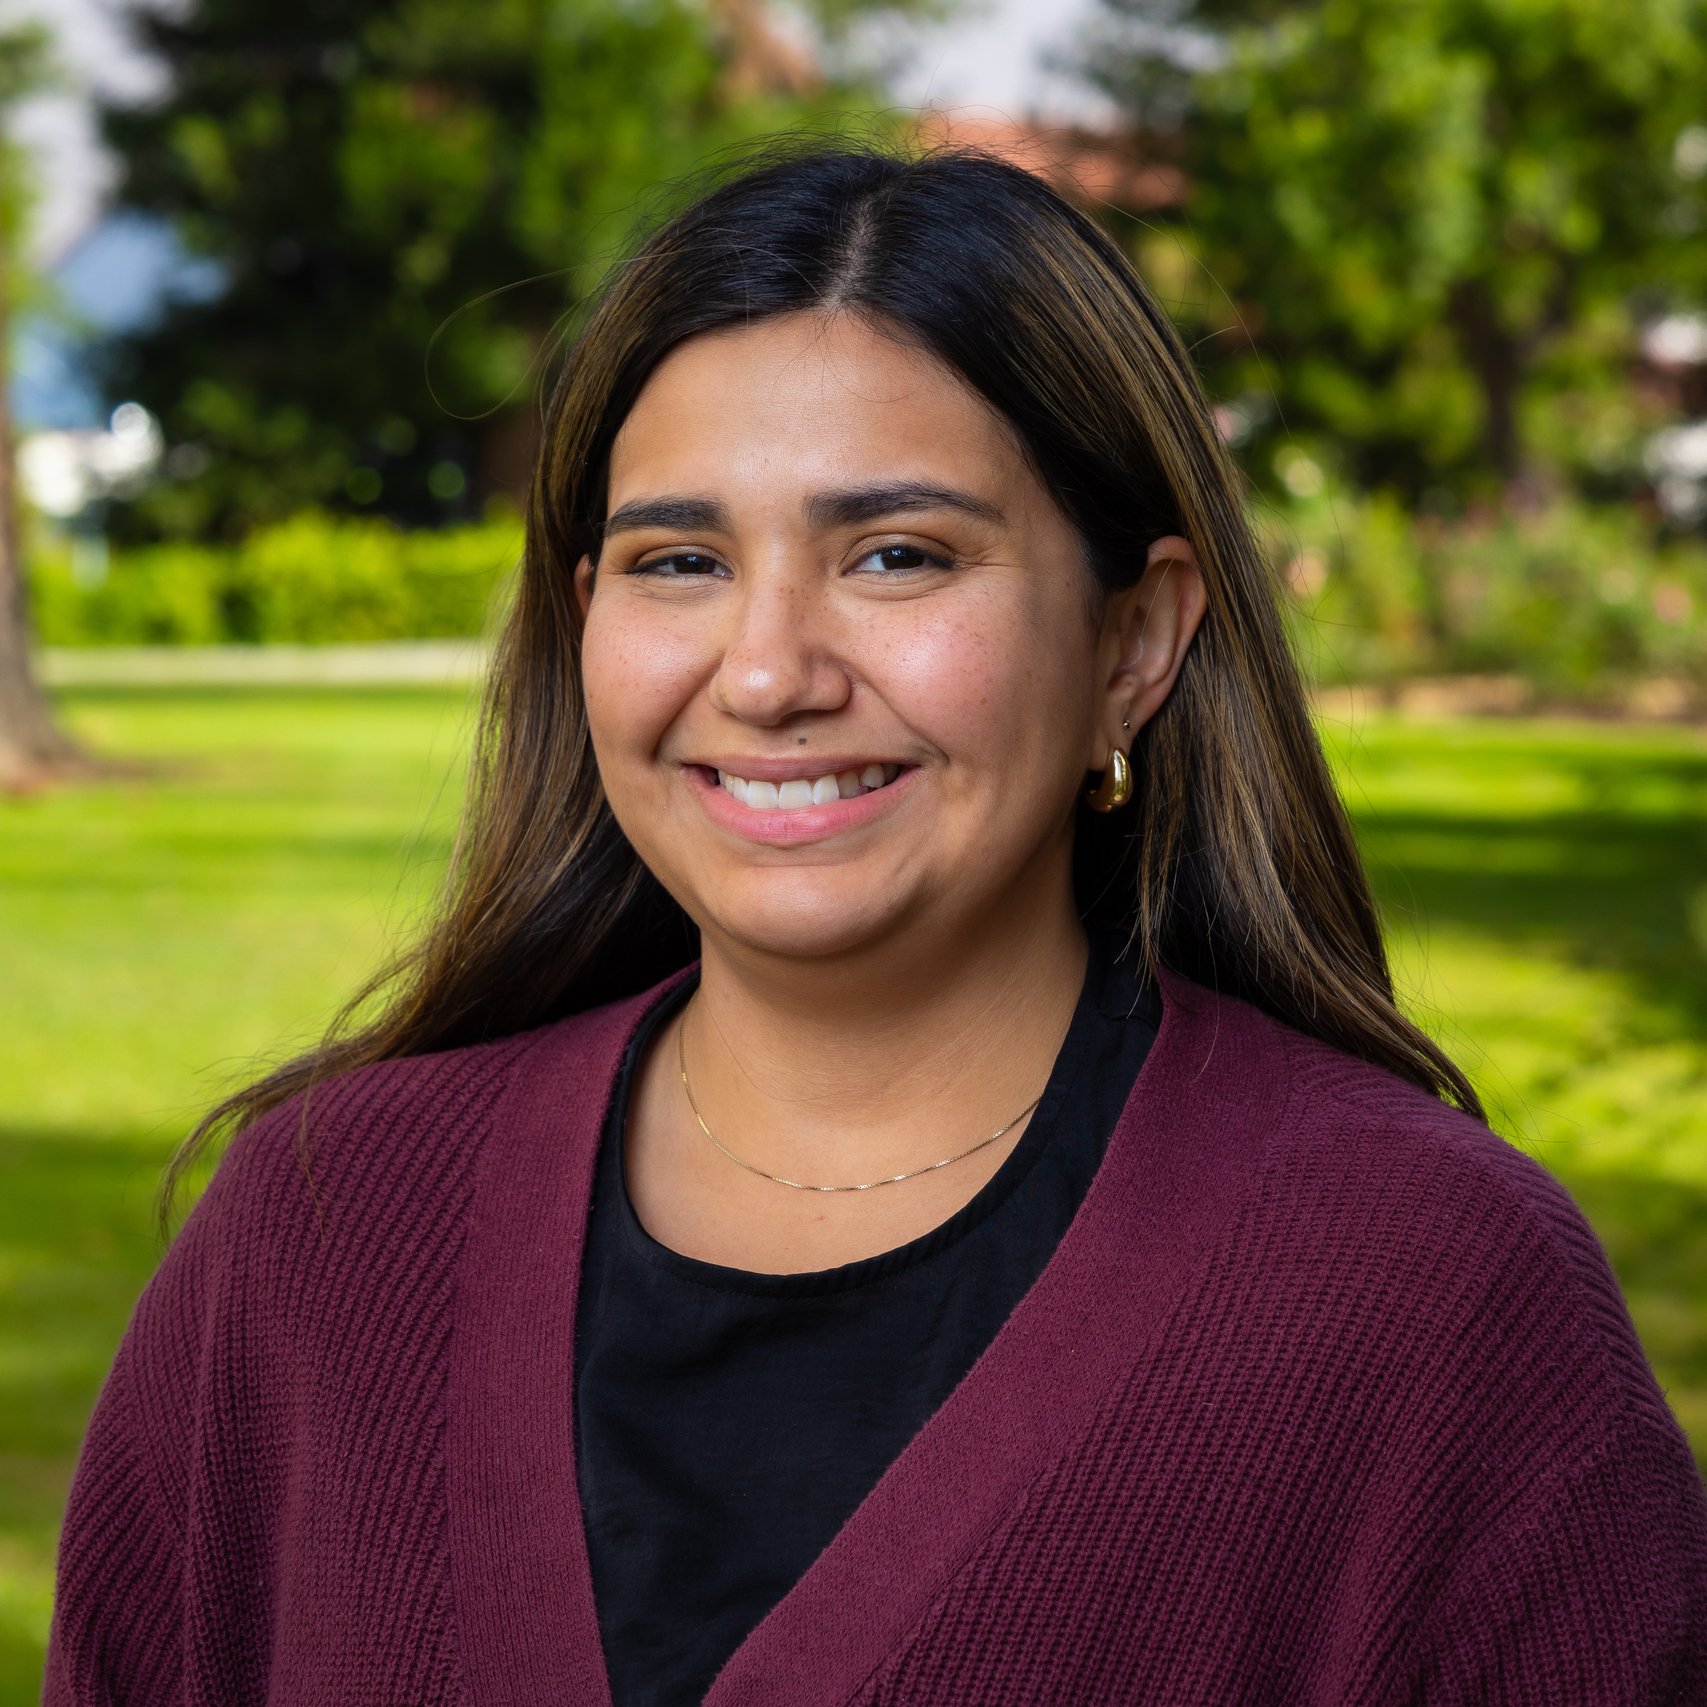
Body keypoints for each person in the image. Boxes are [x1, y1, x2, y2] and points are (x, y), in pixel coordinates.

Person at [45, 142, 1707, 1706]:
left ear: (1136, 640)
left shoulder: (1425, 1296)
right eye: (679, 561)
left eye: (899, 554)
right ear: (585, 627)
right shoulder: (321, 1236)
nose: (766, 674)